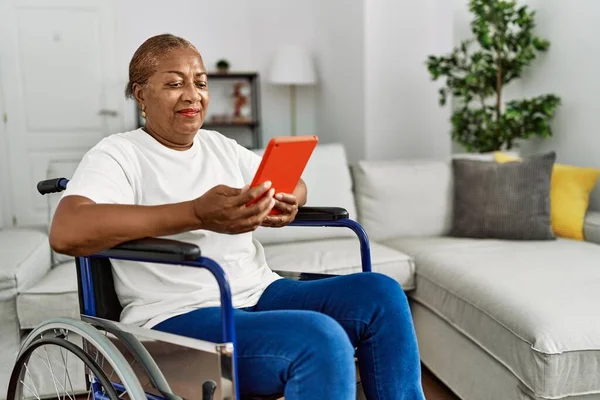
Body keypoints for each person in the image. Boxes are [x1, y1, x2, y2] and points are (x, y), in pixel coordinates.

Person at [49, 33, 425, 400]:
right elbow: (66, 231)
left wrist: (281, 200)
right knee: (318, 339)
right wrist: (196, 213)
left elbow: (294, 185)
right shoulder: (119, 154)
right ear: (141, 93)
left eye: (200, 82)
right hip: (176, 315)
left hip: (259, 291)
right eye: (175, 83)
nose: (192, 95)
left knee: (381, 294)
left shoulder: (219, 146)